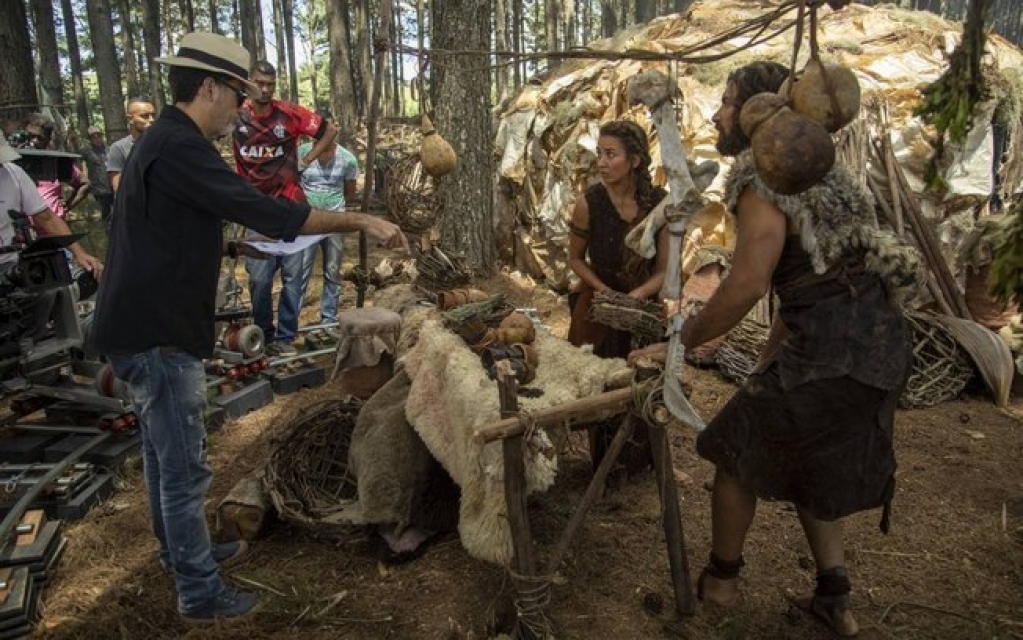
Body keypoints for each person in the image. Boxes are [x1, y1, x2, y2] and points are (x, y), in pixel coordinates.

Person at [91, 32, 407, 624]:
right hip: (158, 334)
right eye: (236, 94)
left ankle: (181, 554)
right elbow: (264, 207)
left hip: (138, 325)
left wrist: (230, 241)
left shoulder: (162, 143)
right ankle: (200, 593)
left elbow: (170, 226)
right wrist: (360, 217)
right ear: (209, 87)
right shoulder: (180, 148)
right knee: (183, 468)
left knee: (164, 460)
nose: (242, 107)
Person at [628, 60, 919, 636]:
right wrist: (770, 358)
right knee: (814, 459)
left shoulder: (764, 175)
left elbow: (749, 283)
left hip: (835, 354)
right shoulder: (824, 176)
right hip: (879, 345)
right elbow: (811, 287)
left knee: (733, 450)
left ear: (764, 110)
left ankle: (720, 583)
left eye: (730, 101)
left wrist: (681, 343)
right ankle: (835, 598)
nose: (718, 112)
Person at [566, 119, 669, 477]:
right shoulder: (589, 202)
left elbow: (665, 270)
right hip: (598, 308)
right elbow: (576, 259)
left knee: (644, 382)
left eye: (611, 155)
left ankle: (644, 462)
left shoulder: (659, 204)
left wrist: (636, 297)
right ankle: (603, 465)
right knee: (601, 383)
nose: (602, 162)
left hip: (643, 308)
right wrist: (605, 291)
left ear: (635, 161)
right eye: (600, 154)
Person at [232, 61, 339, 356]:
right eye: (259, 83)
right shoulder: (236, 113)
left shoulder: (289, 113)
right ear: (249, 83)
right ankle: (263, 336)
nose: (264, 90)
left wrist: (306, 160)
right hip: (254, 210)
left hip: (291, 206)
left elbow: (329, 130)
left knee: (293, 279)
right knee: (259, 279)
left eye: (270, 84)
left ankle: (285, 337)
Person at [1, 136, 104, 339]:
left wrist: (79, 253)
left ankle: (33, 347)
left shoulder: (13, 174)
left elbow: (46, 217)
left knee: (48, 290)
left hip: (12, 264)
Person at [298, 109, 359, 333]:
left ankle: (328, 320)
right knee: (299, 270)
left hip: (334, 221)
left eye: (330, 127)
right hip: (307, 222)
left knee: (332, 270)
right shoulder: (302, 154)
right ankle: (290, 321)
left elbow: (350, 193)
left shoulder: (348, 159)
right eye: (320, 127)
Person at [20, 114, 91, 220]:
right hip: (21, 228)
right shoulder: (12, 161)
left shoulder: (57, 162)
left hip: (53, 225)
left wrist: (66, 206)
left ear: (48, 139)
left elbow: (85, 184)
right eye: (31, 136)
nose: (34, 141)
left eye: (40, 138)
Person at [107, 97, 157, 193]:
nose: (151, 120)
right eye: (145, 116)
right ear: (130, 119)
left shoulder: (162, 144)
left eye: (153, 115)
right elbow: (118, 188)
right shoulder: (119, 148)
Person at [79, 126, 114, 226]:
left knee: (117, 210)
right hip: (98, 187)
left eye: (98, 136)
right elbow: (78, 161)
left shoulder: (109, 149)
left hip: (112, 184)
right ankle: (106, 230)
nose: (97, 138)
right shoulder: (86, 151)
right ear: (90, 139)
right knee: (105, 211)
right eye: (94, 137)